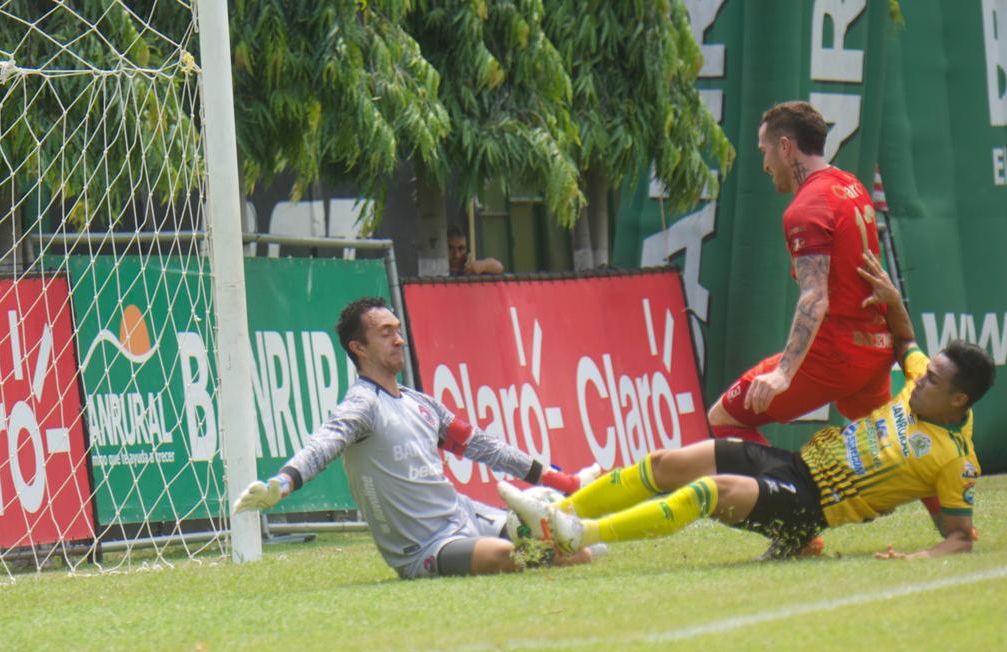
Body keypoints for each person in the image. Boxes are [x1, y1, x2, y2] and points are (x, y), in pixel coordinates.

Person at [499, 252, 995, 561]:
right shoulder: (918, 382)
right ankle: (555, 512)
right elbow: (906, 341)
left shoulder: (955, 460)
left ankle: (579, 533)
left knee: (707, 492)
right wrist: (891, 299)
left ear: (959, 400)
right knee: (666, 462)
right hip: (796, 464)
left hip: (810, 508)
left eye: (934, 379)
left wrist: (917, 557)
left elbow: (960, 537)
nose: (921, 377)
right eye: (925, 371)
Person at [232, 297, 589, 579]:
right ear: (359, 347)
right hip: (427, 547)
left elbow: (484, 446)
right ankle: (535, 529)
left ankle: (550, 519)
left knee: (577, 555)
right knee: (504, 557)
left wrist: (561, 479)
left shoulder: (421, 403)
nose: (399, 339)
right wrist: (283, 483)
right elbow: (325, 443)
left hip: (465, 515)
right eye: (386, 333)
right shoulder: (363, 405)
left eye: (398, 330)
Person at [708, 101, 895, 446]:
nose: (764, 164)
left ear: (784, 147)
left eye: (764, 151)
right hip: (875, 348)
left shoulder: (806, 208)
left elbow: (815, 296)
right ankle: (949, 502)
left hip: (834, 355)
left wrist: (784, 372)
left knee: (724, 417)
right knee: (885, 452)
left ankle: (788, 495)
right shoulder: (851, 185)